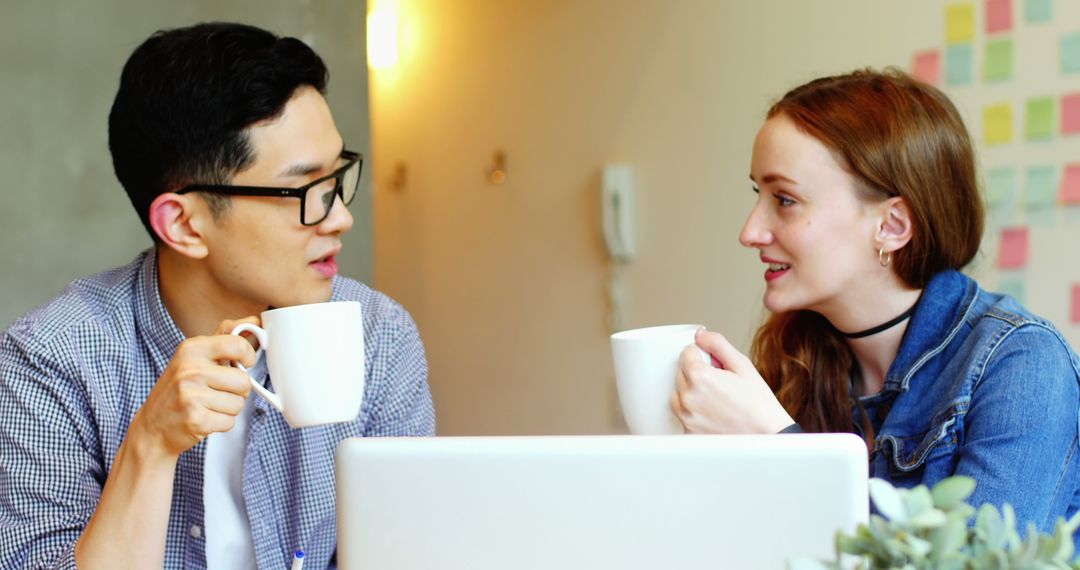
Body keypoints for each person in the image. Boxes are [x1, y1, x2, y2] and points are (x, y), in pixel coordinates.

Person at [0, 22, 434, 569]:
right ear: (184, 225)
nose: (341, 217)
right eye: (305, 192)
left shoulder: (377, 335)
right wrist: (151, 445)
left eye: (337, 181)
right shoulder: (51, 361)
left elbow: (410, 550)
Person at [671, 68, 1080, 532]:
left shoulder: (1023, 365)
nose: (750, 231)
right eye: (757, 194)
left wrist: (778, 444)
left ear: (892, 226)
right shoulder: (797, 360)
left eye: (784, 199)